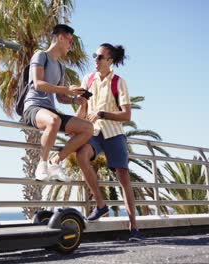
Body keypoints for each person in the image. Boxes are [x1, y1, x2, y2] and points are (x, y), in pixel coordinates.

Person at [75, 43, 143, 241]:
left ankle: (134, 228)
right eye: (94, 56)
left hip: (114, 134)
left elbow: (127, 115)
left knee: (123, 179)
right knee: (81, 156)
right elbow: (83, 108)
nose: (95, 60)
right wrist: (79, 112)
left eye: (100, 57)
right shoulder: (87, 80)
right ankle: (101, 205)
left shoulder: (119, 82)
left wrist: (102, 113)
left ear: (110, 60)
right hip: (93, 132)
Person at [23, 24, 93, 182]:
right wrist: (67, 89)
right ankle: (41, 164)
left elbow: (61, 97)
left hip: (50, 110)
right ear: (61, 38)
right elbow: (38, 84)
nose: (71, 46)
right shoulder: (41, 55)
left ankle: (55, 162)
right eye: (70, 42)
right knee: (54, 120)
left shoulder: (61, 67)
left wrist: (75, 99)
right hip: (33, 107)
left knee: (87, 128)